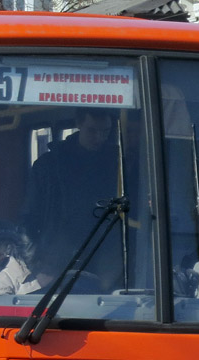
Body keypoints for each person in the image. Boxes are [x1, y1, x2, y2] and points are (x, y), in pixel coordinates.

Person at [21, 108, 123, 285]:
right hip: (56, 261)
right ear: (78, 124)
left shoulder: (119, 164)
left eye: (105, 131)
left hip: (107, 259)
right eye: (92, 131)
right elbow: (29, 218)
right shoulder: (48, 166)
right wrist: (38, 266)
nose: (99, 138)